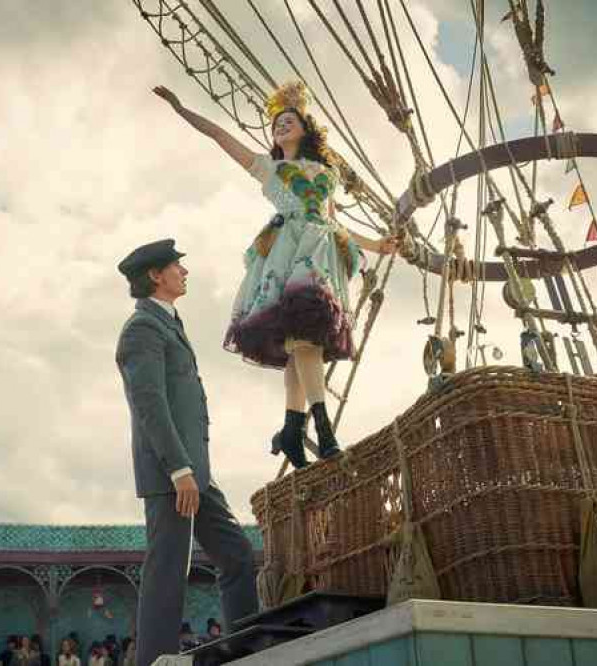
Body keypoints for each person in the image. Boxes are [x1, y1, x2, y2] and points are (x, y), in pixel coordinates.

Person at [153, 82, 400, 469]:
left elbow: (334, 221)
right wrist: (180, 107)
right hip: (287, 253)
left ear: (305, 127)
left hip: (320, 252)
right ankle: (322, 430)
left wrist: (376, 245)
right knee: (303, 340)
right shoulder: (268, 168)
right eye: (276, 125)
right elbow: (219, 136)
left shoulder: (325, 170)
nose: (280, 127)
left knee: (302, 346)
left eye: (288, 121)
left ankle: (291, 429)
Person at [115, 239, 259, 666]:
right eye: (177, 265)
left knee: (236, 554)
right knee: (168, 569)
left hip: (195, 472)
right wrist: (178, 468)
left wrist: (192, 469)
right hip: (172, 472)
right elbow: (150, 404)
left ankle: (246, 650)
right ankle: (154, 661)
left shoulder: (169, 325)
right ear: (156, 276)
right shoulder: (141, 329)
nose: (185, 271)